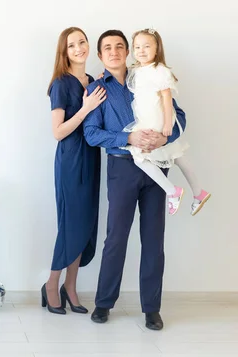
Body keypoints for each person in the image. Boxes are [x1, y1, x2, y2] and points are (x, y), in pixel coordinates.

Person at [83, 30, 187, 331]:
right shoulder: (97, 90)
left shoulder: (146, 76)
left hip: (157, 167)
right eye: (107, 48)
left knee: (154, 240)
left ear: (127, 51)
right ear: (100, 56)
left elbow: (179, 116)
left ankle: (151, 309)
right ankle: (103, 303)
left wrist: (164, 136)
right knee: (116, 238)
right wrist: (127, 136)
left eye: (119, 46)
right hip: (122, 169)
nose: (114, 52)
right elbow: (92, 134)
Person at [42, 27, 106, 315]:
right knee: (70, 223)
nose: (79, 48)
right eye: (72, 45)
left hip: (91, 156)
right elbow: (58, 132)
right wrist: (85, 107)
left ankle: (71, 286)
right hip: (71, 159)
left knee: (86, 222)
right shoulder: (61, 84)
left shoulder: (92, 81)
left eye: (82, 42)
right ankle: (52, 284)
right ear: (64, 52)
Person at [123, 28, 210, 215]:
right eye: (137, 47)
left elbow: (166, 97)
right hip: (145, 118)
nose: (141, 50)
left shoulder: (159, 70)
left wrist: (168, 123)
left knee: (139, 157)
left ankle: (173, 191)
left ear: (157, 48)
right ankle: (198, 192)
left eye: (147, 46)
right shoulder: (136, 70)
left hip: (156, 118)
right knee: (176, 154)